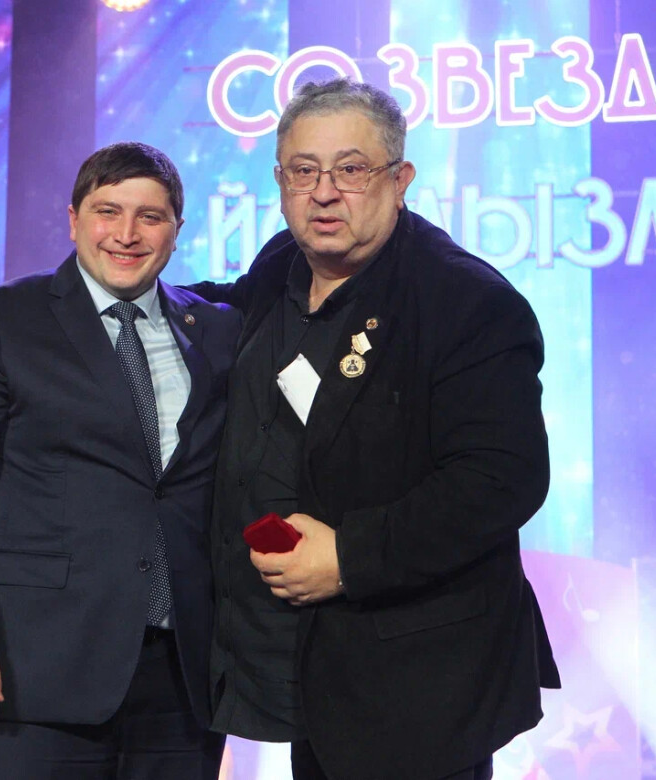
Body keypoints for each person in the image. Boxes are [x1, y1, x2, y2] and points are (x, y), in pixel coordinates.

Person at [190, 79, 560, 780]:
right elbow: (221, 315)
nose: (325, 193)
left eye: (351, 169)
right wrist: (129, 289)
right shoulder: (281, 263)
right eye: (304, 171)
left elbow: (501, 480)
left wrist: (349, 556)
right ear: (280, 181)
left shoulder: (467, 302)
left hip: (416, 685)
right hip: (302, 673)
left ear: (400, 179)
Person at [0, 142, 239, 779]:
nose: (127, 234)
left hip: (183, 678)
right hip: (35, 668)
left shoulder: (216, 329)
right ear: (74, 219)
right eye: (108, 211)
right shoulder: (3, 319)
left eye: (150, 216)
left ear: (177, 230)